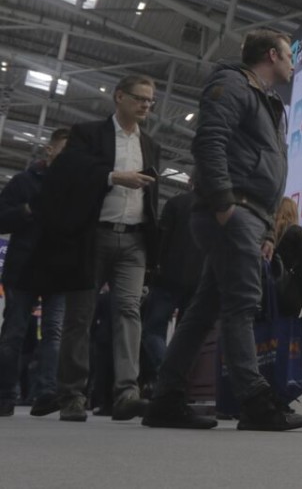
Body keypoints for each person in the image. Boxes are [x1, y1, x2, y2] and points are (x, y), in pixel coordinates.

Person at [142, 28, 302, 431]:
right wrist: (222, 204)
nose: (293, 64)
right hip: (233, 209)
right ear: (272, 55)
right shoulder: (233, 84)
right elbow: (210, 141)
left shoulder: (269, 102)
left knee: (204, 309)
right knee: (242, 304)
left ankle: (166, 398)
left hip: (250, 214)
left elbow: (272, 167)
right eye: (289, 56)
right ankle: (255, 401)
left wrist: (268, 230)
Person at [32, 76, 161, 423]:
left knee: (129, 313)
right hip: (94, 236)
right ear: (119, 97)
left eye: (150, 101)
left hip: (135, 239)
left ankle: (127, 393)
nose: (146, 105)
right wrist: (113, 177)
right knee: (80, 315)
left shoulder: (150, 144)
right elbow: (69, 171)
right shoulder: (88, 134)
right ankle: (72, 395)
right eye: (140, 98)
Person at [0, 128, 70, 417]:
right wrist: (27, 210)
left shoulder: (75, 188)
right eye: (64, 150)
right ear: (49, 150)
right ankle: (5, 395)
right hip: (22, 268)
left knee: (54, 333)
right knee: (13, 333)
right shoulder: (23, 182)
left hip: (58, 270)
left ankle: (46, 394)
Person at [139, 185, 204, 396]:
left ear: (191, 181)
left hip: (167, 277)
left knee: (152, 330)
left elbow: (161, 240)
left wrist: (152, 270)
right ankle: (178, 382)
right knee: (187, 336)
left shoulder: (175, 203)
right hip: (198, 281)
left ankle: (165, 372)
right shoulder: (214, 209)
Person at [272, 197, 302, 320]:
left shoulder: (269, 232)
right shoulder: (298, 232)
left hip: (266, 290)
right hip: (289, 292)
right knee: (285, 329)